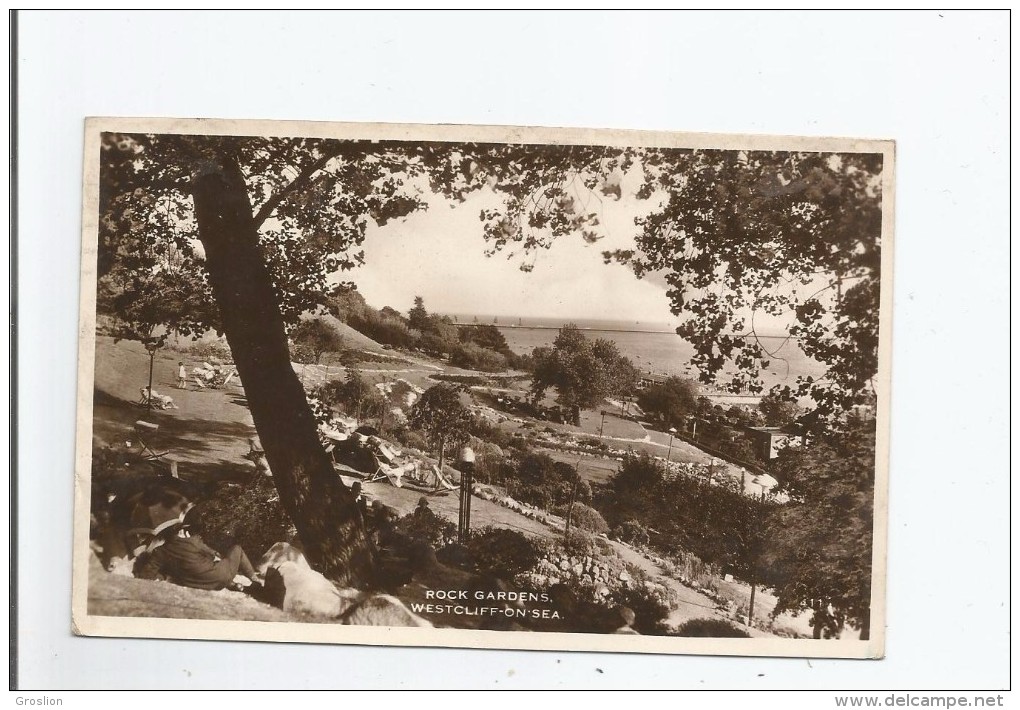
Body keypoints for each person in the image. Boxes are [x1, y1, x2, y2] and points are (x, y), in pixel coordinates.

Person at [134, 509, 258, 591]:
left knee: (200, 568)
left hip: (196, 584)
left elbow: (147, 574)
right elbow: (212, 556)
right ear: (182, 531)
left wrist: (162, 577)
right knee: (237, 549)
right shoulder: (194, 542)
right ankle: (254, 579)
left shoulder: (159, 552)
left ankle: (232, 584)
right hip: (219, 577)